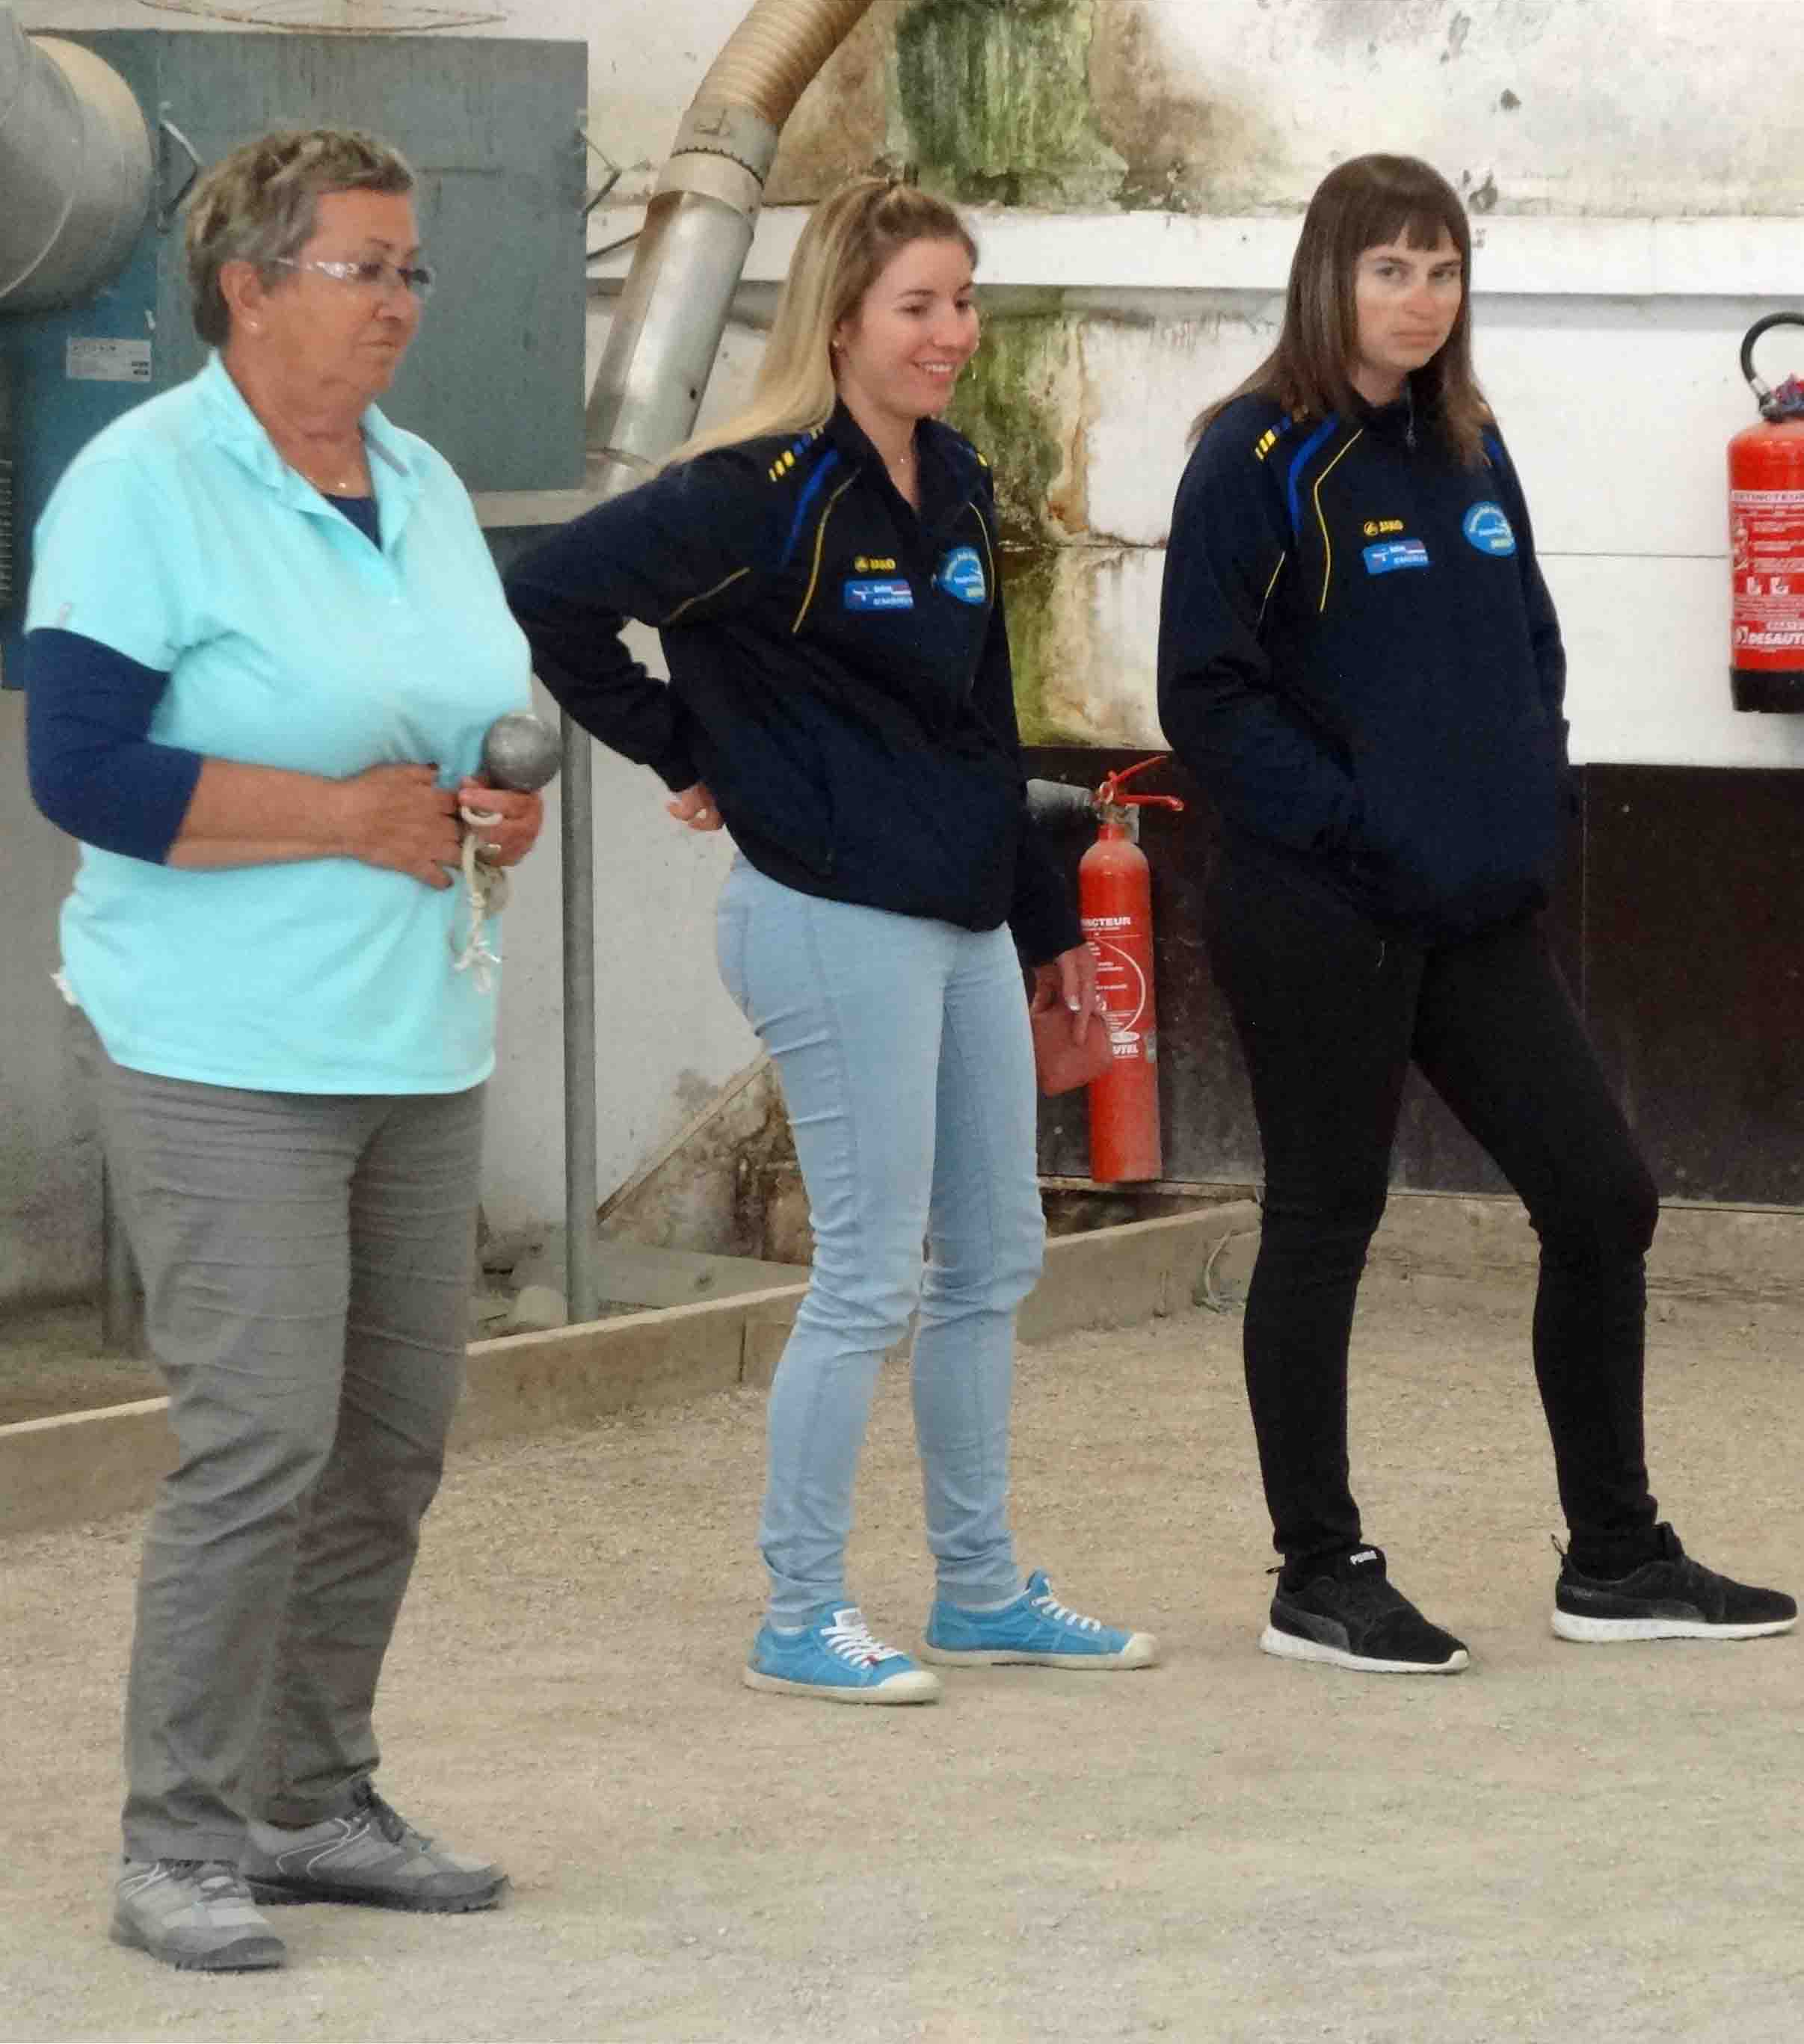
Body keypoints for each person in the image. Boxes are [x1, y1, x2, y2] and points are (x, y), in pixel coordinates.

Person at [507, 176, 1156, 1705]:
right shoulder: (754, 486)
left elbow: (979, 723)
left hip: (959, 914)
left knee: (993, 1256)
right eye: (920, 305)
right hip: (822, 919)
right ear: (843, 319)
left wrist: (1049, 918)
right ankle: (800, 1612)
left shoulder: (953, 479)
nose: (952, 333)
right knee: (867, 1275)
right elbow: (552, 596)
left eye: (962, 300)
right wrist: (688, 750)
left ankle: (981, 1587)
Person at [1157, 153, 1794, 1676]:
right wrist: (1360, 824)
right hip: (1319, 909)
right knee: (1328, 1218)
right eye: (1389, 270)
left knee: (1600, 1198)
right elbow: (1207, 695)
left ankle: (1616, 1557)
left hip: (1468, 904)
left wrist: (1534, 792)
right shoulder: (1253, 456)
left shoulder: (1464, 442)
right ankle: (1318, 1571)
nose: (1420, 300)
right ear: (1327, 279)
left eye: (1441, 271)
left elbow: (1528, 642)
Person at [25, 128, 542, 1970]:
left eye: (414, 271)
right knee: (257, 1440)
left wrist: (484, 810)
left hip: (412, 1028)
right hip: (219, 1043)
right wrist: (345, 819)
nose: (401, 302)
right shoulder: (144, 482)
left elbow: (463, 723)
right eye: (365, 268)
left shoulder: (416, 472)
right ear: (248, 287)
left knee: (389, 1441)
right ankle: (173, 1845)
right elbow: (78, 769)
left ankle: (309, 1801)